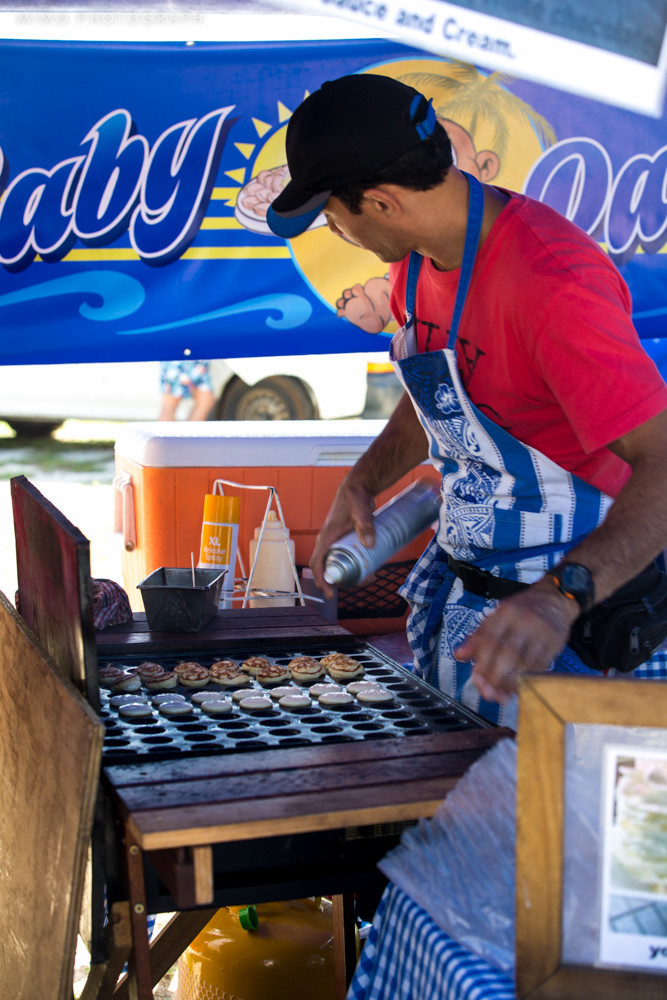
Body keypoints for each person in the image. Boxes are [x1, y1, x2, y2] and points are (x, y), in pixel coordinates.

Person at [266, 73, 667, 726]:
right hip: (470, 594)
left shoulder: (551, 286)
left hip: (564, 627)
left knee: (545, 824)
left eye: (332, 218)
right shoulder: (416, 263)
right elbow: (442, 385)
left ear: (382, 203)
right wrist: (364, 481)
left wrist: (560, 597)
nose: (336, 233)